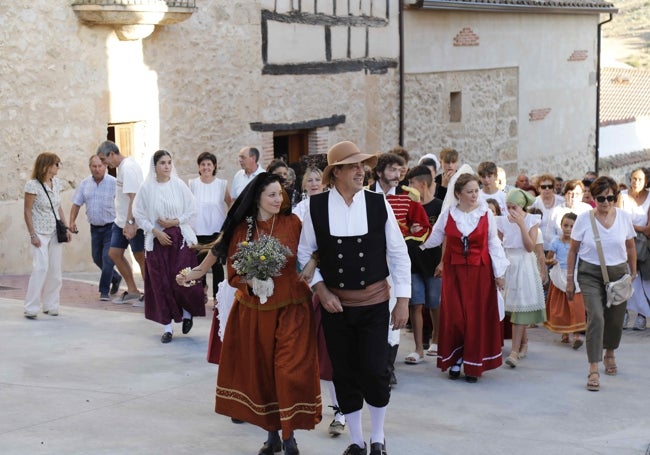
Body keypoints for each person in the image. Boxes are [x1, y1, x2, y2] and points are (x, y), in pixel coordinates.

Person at [178, 173, 321, 455]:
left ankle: (289, 436)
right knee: (264, 374)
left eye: (280, 194)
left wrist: (313, 263)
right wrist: (251, 282)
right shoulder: (244, 229)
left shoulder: (294, 223)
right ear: (258, 198)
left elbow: (314, 250)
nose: (279, 199)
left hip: (293, 309)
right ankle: (273, 436)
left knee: (287, 371)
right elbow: (232, 272)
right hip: (256, 313)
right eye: (272, 195)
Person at [298, 141, 410, 455]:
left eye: (362, 165)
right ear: (336, 174)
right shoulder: (316, 207)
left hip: (375, 305)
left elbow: (399, 254)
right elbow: (304, 254)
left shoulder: (378, 203)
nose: (361, 170)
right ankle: (357, 442)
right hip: (336, 307)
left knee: (375, 370)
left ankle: (378, 437)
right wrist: (321, 290)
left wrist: (402, 299)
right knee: (344, 372)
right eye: (353, 166)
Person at [420, 168, 509, 383]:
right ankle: (456, 358)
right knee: (457, 318)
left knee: (475, 319)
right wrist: (416, 241)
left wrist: (499, 273)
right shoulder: (448, 213)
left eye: (476, 191)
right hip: (455, 274)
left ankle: (472, 364)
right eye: (470, 191)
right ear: (458, 193)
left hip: (480, 274)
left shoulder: (486, 213)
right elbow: (434, 237)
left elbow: (493, 244)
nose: (474, 195)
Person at [566, 176, 636, 391]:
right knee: (596, 316)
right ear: (594, 199)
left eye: (610, 197)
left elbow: (631, 247)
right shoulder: (584, 219)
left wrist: (632, 273)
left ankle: (610, 352)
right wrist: (570, 279)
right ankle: (593, 367)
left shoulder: (624, 218)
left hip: (618, 273)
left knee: (615, 319)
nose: (606, 202)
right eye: (601, 198)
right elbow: (573, 250)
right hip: (590, 274)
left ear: (616, 197)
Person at [370, 153, 430, 382]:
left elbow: (424, 229)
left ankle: (388, 369)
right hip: (369, 267)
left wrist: (409, 237)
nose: (398, 175)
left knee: (392, 317)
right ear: (379, 172)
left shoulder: (409, 197)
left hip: (394, 268)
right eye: (393, 170)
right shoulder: (363, 195)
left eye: (400, 170)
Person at [132, 150, 205, 342]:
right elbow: (138, 214)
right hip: (157, 241)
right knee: (160, 284)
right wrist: (156, 232)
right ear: (154, 166)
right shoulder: (147, 188)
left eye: (169, 162)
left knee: (182, 279)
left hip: (179, 239)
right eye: (162, 163)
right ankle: (167, 327)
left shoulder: (179, 185)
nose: (167, 166)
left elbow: (192, 208)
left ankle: (188, 314)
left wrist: (174, 222)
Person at [496, 189, 546, 368]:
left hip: (524, 264)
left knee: (520, 306)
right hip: (508, 263)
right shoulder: (501, 221)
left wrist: (521, 225)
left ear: (522, 206)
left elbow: (529, 247)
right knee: (511, 306)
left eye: (514, 207)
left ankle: (515, 351)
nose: (511, 211)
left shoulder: (532, 220)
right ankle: (523, 343)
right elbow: (497, 245)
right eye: (508, 207)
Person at [96, 141, 145, 305]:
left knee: (140, 256)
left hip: (133, 221)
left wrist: (131, 223)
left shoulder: (128, 168)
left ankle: (151, 294)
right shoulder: (122, 168)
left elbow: (134, 197)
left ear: (112, 154)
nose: (104, 164)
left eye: (104, 160)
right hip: (120, 221)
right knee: (114, 253)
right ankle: (132, 290)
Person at [23, 152, 72, 318]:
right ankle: (31, 307)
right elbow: (27, 211)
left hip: (54, 232)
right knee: (40, 268)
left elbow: (58, 207)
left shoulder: (57, 183)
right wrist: (32, 234)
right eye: (56, 164)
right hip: (39, 233)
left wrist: (66, 228)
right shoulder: (32, 185)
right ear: (47, 166)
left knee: (55, 271)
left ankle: (51, 305)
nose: (58, 167)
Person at [69, 155, 122, 301]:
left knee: (107, 258)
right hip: (95, 228)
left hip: (111, 227)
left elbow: (125, 201)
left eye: (100, 166)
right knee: (96, 257)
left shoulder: (114, 183)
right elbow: (76, 204)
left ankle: (104, 291)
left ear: (105, 166)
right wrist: (71, 222)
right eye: (94, 166)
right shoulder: (85, 183)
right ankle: (116, 277)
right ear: (90, 167)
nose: (97, 169)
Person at [405, 165, 443, 361]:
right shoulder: (407, 207)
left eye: (411, 183)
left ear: (423, 184)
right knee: (415, 304)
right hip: (412, 263)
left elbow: (447, 236)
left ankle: (436, 341)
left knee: (434, 303)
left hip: (434, 263)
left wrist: (443, 262)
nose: (408, 186)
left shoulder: (439, 206)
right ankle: (418, 349)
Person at [189, 152, 231, 303]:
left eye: (209, 164)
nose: (206, 167)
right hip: (198, 230)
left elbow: (230, 203)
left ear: (214, 167)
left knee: (217, 266)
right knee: (199, 264)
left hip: (216, 231)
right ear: (199, 167)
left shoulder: (221, 184)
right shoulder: (192, 184)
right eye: (203, 165)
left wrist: (229, 224)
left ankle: (217, 298)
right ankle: (202, 290)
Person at [544, 212, 586, 348]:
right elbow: (547, 259)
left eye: (572, 226)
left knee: (576, 305)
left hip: (575, 275)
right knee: (562, 307)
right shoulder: (556, 242)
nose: (568, 229)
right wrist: (552, 261)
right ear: (561, 226)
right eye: (565, 225)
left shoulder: (580, 243)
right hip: (560, 275)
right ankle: (565, 332)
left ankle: (577, 334)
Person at [617, 168, 650, 331]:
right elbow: (618, 220)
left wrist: (630, 226)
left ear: (646, 181)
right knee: (624, 278)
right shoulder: (622, 196)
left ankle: (642, 316)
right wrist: (639, 228)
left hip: (643, 246)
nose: (636, 182)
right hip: (623, 244)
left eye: (640, 179)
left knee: (642, 282)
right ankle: (623, 314)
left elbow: (649, 229)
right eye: (634, 178)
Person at [531, 174, 565, 251]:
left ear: (553, 188)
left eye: (550, 186)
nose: (547, 189)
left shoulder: (562, 202)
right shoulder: (533, 204)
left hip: (558, 247)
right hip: (539, 247)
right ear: (538, 188)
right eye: (543, 187)